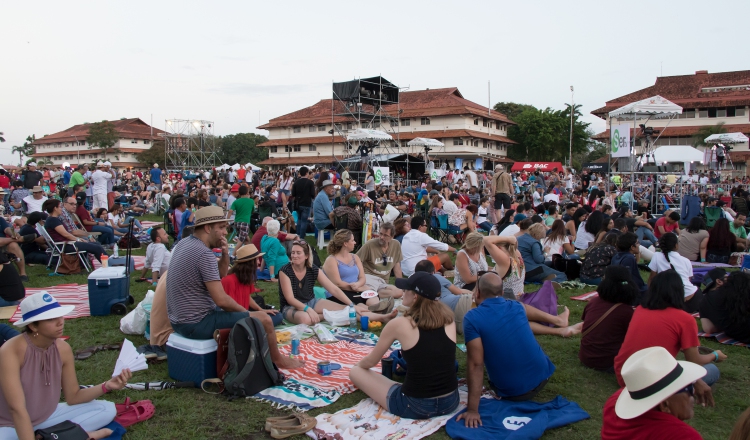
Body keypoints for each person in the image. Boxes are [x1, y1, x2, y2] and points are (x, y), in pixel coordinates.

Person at [165, 206, 303, 368]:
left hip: (178, 321)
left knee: (256, 314)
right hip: (196, 324)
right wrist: (249, 313)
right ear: (208, 228)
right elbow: (221, 300)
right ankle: (278, 361)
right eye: (222, 227)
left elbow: (220, 275)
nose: (225, 232)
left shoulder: (184, 244)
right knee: (265, 319)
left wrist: (224, 254)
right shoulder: (204, 254)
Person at [0, 292, 131, 439]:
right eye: (51, 319)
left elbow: (73, 396)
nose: (60, 322)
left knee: (107, 409)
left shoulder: (63, 349)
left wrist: (106, 386)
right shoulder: (11, 351)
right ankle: (64, 435)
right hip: (9, 424)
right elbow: (16, 409)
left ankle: (51, 435)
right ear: (33, 326)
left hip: (48, 416)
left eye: (60, 316)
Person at [349, 272, 459, 419]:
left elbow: (370, 361)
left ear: (415, 297)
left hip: (415, 405)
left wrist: (358, 365)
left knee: (356, 372)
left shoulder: (400, 324)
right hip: (450, 401)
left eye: (406, 290)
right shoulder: (449, 319)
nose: (402, 292)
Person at [457, 271, 556, 428]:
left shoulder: (472, 318)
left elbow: (476, 365)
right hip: (543, 376)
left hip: (513, 391)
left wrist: (473, 410)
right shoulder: (516, 306)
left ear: (478, 292)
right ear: (502, 293)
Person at [614, 270, 725, 395]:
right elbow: (695, 361)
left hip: (624, 374)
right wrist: (715, 355)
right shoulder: (685, 319)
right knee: (712, 370)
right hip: (648, 382)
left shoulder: (641, 309)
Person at [278, 239, 395, 325]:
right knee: (306, 319)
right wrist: (307, 309)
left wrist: (351, 304)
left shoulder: (313, 269)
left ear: (307, 256)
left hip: (312, 302)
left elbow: (333, 289)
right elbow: (290, 299)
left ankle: (382, 317)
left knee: (350, 310)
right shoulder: (285, 271)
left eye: (298, 253)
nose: (294, 256)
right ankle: (326, 315)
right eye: (293, 252)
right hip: (291, 307)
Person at [601, 346, 708, 440]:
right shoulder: (682, 436)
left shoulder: (613, 404)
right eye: (688, 388)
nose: (693, 392)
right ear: (664, 405)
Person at [579, 266, 638, 372]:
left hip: (585, 357)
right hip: (607, 363)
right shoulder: (626, 312)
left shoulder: (594, 302)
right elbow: (633, 339)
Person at [323, 230, 394, 312]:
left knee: (373, 296)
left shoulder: (355, 257)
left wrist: (358, 285)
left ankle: (376, 308)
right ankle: (375, 311)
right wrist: (357, 288)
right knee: (359, 302)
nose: (355, 242)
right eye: (352, 240)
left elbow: (362, 277)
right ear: (345, 243)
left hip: (356, 288)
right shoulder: (332, 260)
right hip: (339, 293)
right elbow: (338, 283)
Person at [221, 244, 282, 327]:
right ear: (249, 263)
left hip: (247, 315)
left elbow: (247, 297)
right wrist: (254, 314)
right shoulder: (228, 280)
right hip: (236, 319)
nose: (259, 262)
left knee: (278, 315)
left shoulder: (246, 277)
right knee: (267, 320)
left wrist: (261, 310)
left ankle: (255, 327)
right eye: (256, 259)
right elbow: (229, 308)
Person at [648, 233, 701, 313]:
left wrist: (650, 295)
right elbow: (688, 280)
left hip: (670, 299)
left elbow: (652, 279)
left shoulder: (656, 256)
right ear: (676, 245)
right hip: (692, 298)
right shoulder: (686, 260)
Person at [699, 271, 750, 343]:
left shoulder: (704, 301)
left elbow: (708, 329)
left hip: (738, 335)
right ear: (719, 281)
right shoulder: (737, 293)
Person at [356, 223, 404, 298]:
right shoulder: (370, 245)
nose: (381, 237)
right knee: (372, 298)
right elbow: (356, 260)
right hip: (369, 277)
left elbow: (396, 266)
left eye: (385, 235)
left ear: (392, 237)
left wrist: (401, 285)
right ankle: (370, 292)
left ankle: (373, 293)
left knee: (399, 293)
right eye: (380, 234)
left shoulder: (396, 245)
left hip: (383, 282)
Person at [226, 185, 255, 254]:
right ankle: (233, 255)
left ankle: (249, 252)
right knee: (241, 239)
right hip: (245, 222)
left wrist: (227, 221)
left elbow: (230, 211)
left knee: (246, 239)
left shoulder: (236, 201)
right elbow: (253, 211)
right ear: (247, 192)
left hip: (237, 222)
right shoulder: (251, 201)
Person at [291, 166, 315, 238]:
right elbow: (313, 194)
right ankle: (301, 237)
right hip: (306, 203)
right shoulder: (310, 182)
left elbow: (293, 194)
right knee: (304, 221)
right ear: (307, 173)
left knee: (299, 220)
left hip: (298, 203)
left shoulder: (296, 182)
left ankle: (297, 235)